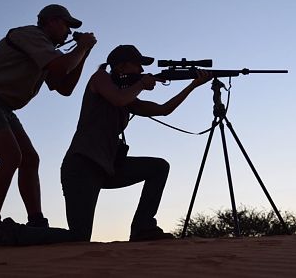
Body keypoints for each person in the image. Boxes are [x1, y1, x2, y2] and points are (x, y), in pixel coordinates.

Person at [60, 45, 212, 242]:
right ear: (121, 67)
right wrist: (141, 84)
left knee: (158, 167)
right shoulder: (100, 77)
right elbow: (118, 99)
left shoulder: (125, 95)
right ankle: (14, 233)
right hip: (83, 166)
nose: (141, 70)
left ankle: (143, 228)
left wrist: (192, 85)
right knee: (78, 237)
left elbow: (163, 109)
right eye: (137, 65)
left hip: (107, 167)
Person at [0, 4, 97, 230]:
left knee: (29, 159)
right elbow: (61, 68)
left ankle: (36, 221)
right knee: (11, 156)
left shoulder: (47, 51)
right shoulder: (31, 35)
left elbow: (65, 87)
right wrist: (80, 48)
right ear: (51, 21)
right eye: (66, 25)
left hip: (4, 107)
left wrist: (84, 52)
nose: (69, 32)